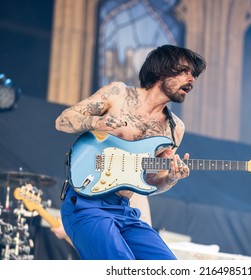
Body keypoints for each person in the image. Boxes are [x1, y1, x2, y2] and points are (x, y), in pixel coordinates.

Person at [55, 44, 206, 260]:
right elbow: (62, 121)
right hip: (87, 203)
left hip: (124, 210)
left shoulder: (175, 129)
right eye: (185, 71)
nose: (191, 79)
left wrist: (171, 178)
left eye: (195, 75)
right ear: (162, 70)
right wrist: (97, 121)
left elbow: (152, 181)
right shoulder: (118, 94)